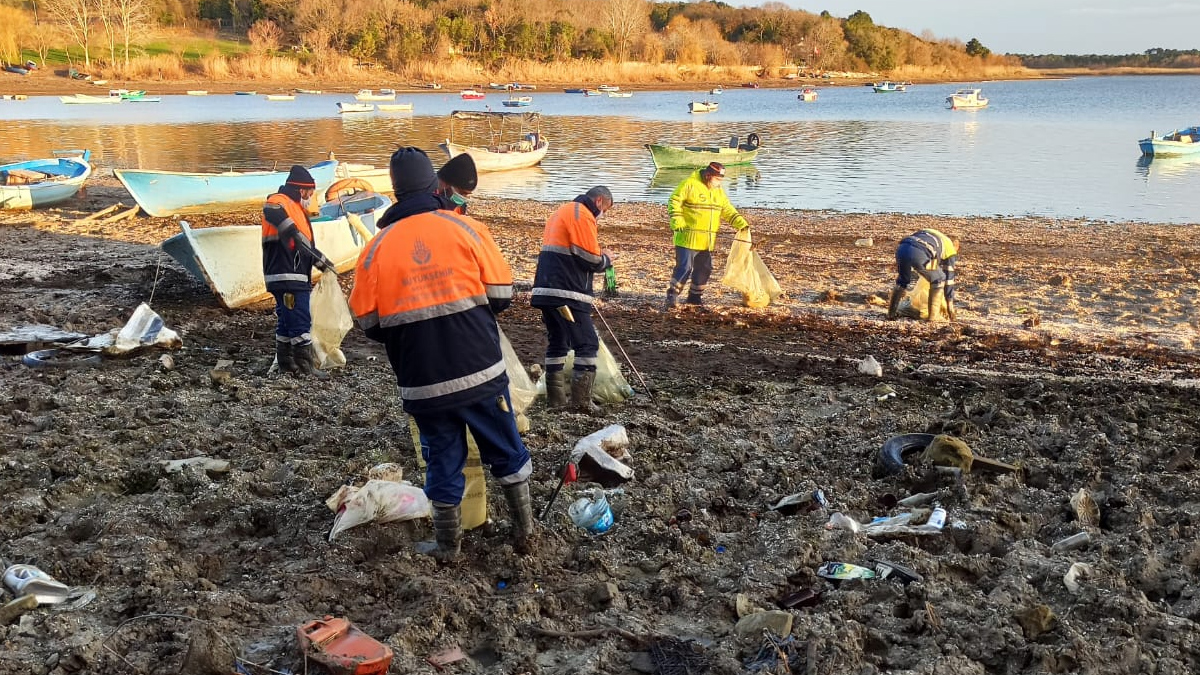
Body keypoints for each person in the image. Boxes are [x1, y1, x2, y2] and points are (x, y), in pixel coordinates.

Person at [348, 147, 533, 561]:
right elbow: (502, 296)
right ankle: (525, 533)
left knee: (442, 458)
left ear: (395, 193)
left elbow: (369, 323)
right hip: (480, 373)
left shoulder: (375, 250)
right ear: (436, 187)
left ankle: (448, 547)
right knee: (506, 449)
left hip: (422, 382)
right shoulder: (466, 230)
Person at [530, 186, 616, 412]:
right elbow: (589, 258)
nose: (603, 215)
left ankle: (556, 400)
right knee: (587, 343)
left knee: (558, 341)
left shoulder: (563, 211)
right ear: (599, 201)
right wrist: (606, 258)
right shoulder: (582, 215)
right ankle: (581, 403)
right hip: (568, 291)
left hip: (546, 290)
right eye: (605, 209)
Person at [261, 165, 335, 378]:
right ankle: (305, 367)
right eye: (309, 194)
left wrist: (322, 262)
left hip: (288, 275)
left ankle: (286, 363)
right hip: (287, 275)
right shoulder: (280, 201)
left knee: (286, 321)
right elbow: (272, 210)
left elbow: (303, 245)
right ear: (301, 190)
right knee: (300, 318)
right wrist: (290, 229)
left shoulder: (295, 208)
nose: (310, 198)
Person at [665, 161, 750, 308]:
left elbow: (727, 210)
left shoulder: (718, 191)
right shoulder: (689, 184)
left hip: (707, 240)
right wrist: (677, 220)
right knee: (684, 268)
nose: (719, 182)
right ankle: (672, 295)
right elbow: (674, 201)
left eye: (721, 179)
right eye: (717, 179)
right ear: (708, 175)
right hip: (687, 238)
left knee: (705, 268)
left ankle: (694, 297)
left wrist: (741, 224)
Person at [886, 228, 959, 321]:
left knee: (902, 281)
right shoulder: (950, 249)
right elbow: (949, 279)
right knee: (939, 278)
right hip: (920, 252)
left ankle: (891, 314)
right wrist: (950, 307)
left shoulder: (931, 233)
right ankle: (933, 317)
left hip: (902, 248)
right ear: (957, 247)